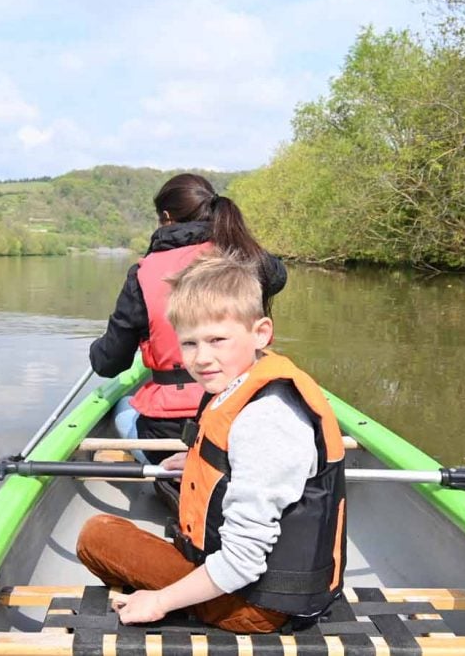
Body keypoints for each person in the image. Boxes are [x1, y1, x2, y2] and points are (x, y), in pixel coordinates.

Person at [76, 252, 346, 633]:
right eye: (189, 344)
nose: (202, 359)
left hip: (259, 605)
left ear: (261, 332)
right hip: (263, 589)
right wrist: (200, 463)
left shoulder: (265, 420)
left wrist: (159, 600)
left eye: (217, 340)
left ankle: (178, 608)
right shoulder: (246, 383)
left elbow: (243, 561)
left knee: (97, 535)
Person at [89, 173, 286, 465]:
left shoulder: (144, 272)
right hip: (240, 420)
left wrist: (98, 348)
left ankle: (147, 459)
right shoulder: (244, 255)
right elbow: (278, 276)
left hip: (167, 437)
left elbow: (109, 364)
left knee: (123, 407)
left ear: (166, 218)